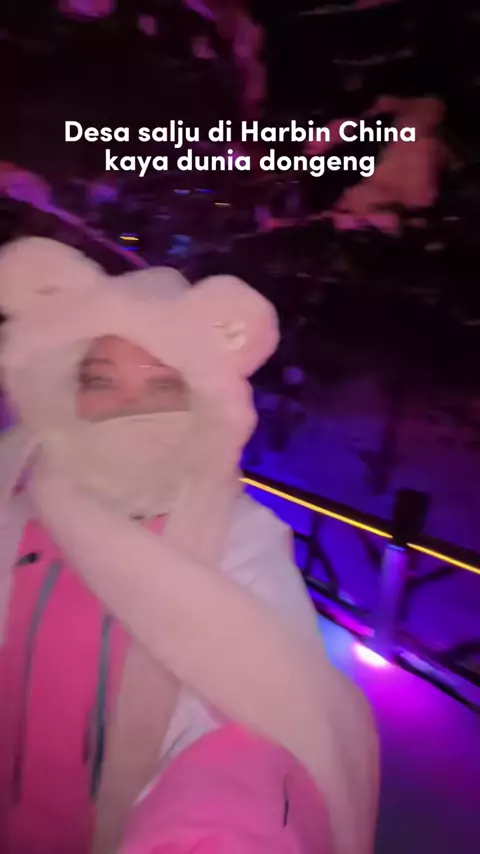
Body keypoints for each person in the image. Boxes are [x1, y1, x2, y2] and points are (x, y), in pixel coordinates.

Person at [0, 237, 379, 854]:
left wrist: (215, 831)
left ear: (202, 403)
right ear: (66, 391)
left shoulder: (238, 538)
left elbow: (257, 720)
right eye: (102, 379)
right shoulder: (15, 506)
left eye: (162, 385)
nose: (128, 408)